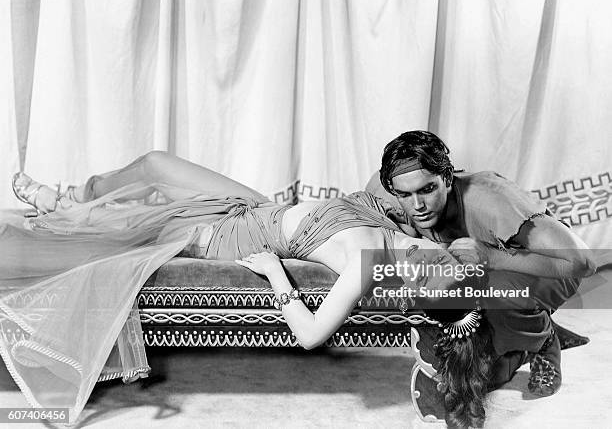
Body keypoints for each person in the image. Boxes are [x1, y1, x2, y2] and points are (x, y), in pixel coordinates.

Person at [3, 151, 471, 424]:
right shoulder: (405, 220)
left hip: (229, 238)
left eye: (424, 269)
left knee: (141, 219)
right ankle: (76, 197)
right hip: (251, 206)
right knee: (156, 163)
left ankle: (58, 206)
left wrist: (275, 273)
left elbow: (310, 335)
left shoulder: (364, 267)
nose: (424, 255)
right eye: (436, 258)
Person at [367, 130, 597, 427]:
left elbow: (583, 262)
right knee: (485, 370)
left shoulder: (490, 200)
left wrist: (493, 257)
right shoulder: (382, 191)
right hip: (478, 273)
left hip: (547, 269)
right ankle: (520, 339)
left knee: (487, 292)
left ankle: (543, 339)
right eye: (405, 195)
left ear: (447, 179)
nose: (417, 206)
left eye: (427, 189)